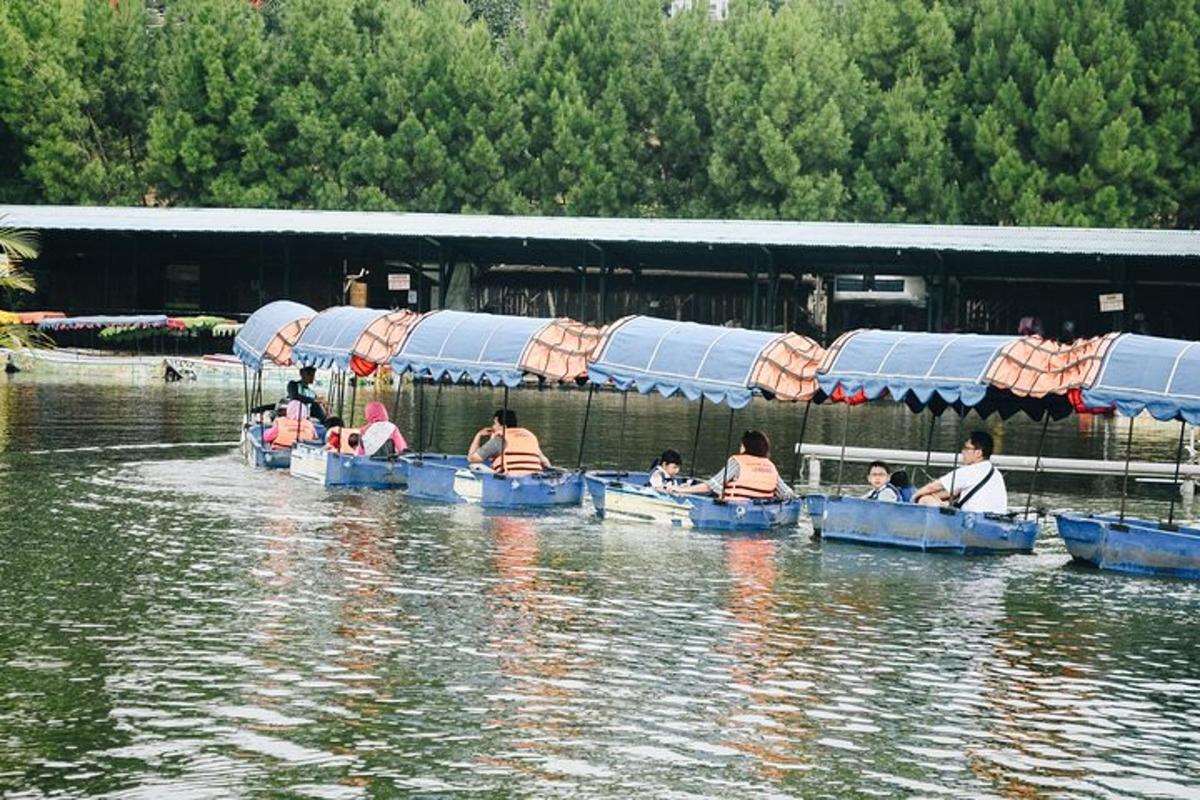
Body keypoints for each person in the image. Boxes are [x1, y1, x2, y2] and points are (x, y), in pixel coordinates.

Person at [669, 430, 795, 501]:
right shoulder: (770, 466)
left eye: (741, 445)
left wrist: (682, 490)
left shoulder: (737, 462)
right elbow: (787, 493)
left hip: (736, 510)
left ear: (746, 447)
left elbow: (711, 485)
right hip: (762, 511)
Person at [912, 430, 1008, 513]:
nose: (963, 452)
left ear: (978, 453)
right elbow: (954, 492)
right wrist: (936, 496)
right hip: (995, 519)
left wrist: (914, 497)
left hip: (972, 521)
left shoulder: (968, 471)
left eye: (967, 449)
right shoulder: (995, 472)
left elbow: (933, 486)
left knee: (925, 500)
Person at [468, 409, 551, 475]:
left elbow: (472, 458)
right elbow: (545, 462)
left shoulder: (499, 439)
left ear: (503, 426)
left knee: (474, 466)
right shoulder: (530, 437)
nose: (493, 426)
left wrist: (478, 435)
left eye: (495, 424)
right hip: (533, 477)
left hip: (510, 478)